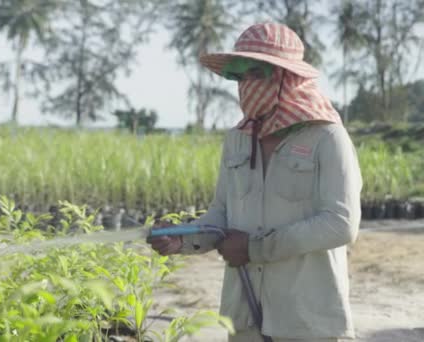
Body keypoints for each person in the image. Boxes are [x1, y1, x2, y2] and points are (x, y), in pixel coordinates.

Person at [147, 22, 362, 342]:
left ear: (285, 77)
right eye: (238, 76)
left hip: (305, 319)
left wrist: (255, 248)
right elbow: (221, 214)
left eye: (255, 73)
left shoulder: (327, 137)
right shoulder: (237, 139)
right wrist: (183, 239)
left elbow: (341, 223)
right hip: (244, 314)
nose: (245, 85)